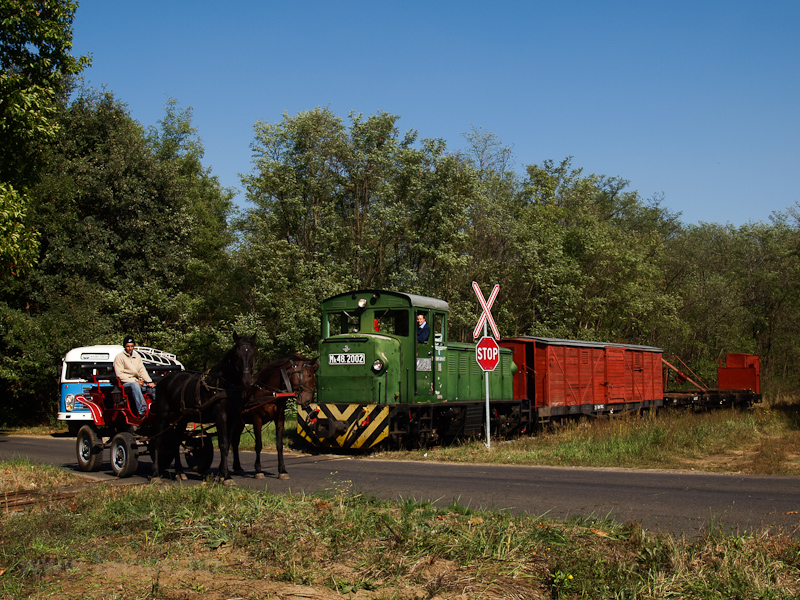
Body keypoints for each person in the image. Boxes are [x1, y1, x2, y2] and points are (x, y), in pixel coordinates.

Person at [113, 336, 155, 416]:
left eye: (132, 346)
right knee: (135, 385)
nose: (130, 348)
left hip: (138, 382)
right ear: (124, 346)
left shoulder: (137, 356)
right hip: (125, 384)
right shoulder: (119, 357)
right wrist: (135, 381)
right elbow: (119, 374)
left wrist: (149, 381)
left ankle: (156, 409)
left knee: (153, 388)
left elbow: (142, 370)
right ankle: (142, 410)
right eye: (128, 346)